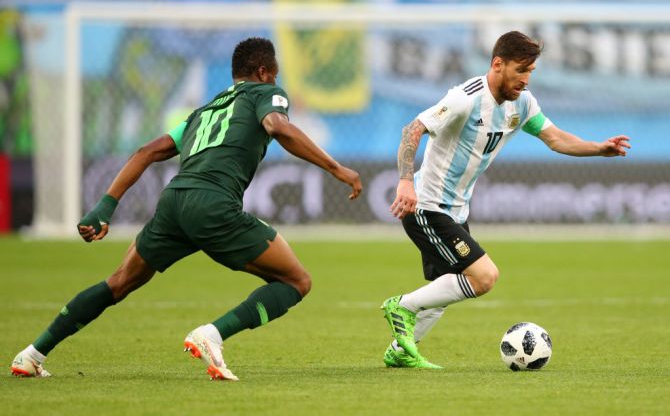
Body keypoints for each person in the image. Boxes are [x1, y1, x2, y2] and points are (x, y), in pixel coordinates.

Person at [11, 37, 362, 381]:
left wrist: (105, 206)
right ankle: (212, 334)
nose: (277, 81)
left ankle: (32, 354)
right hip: (213, 204)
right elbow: (276, 126)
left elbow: (146, 151)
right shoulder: (265, 93)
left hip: (174, 202)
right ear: (263, 72)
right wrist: (336, 168)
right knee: (296, 280)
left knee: (118, 283)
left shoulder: (203, 112)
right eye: (275, 74)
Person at [380, 30, 630, 369]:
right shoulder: (465, 98)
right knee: (483, 277)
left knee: (445, 286)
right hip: (426, 205)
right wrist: (406, 182)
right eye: (520, 70)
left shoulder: (523, 103)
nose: (526, 79)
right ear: (498, 64)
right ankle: (402, 306)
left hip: (455, 211)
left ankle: (399, 350)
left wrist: (599, 149)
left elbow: (555, 139)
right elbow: (413, 129)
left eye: (531, 72)